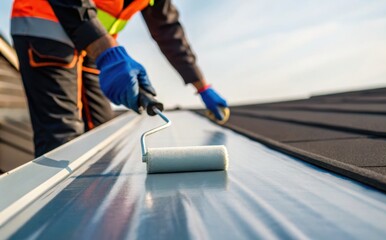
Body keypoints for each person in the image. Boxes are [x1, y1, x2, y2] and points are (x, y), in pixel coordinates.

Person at [10, 0, 228, 157]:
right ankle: (58, 215)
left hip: (91, 41)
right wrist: (106, 50)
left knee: (102, 128)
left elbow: (167, 29)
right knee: (63, 138)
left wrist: (202, 86)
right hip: (45, 24)